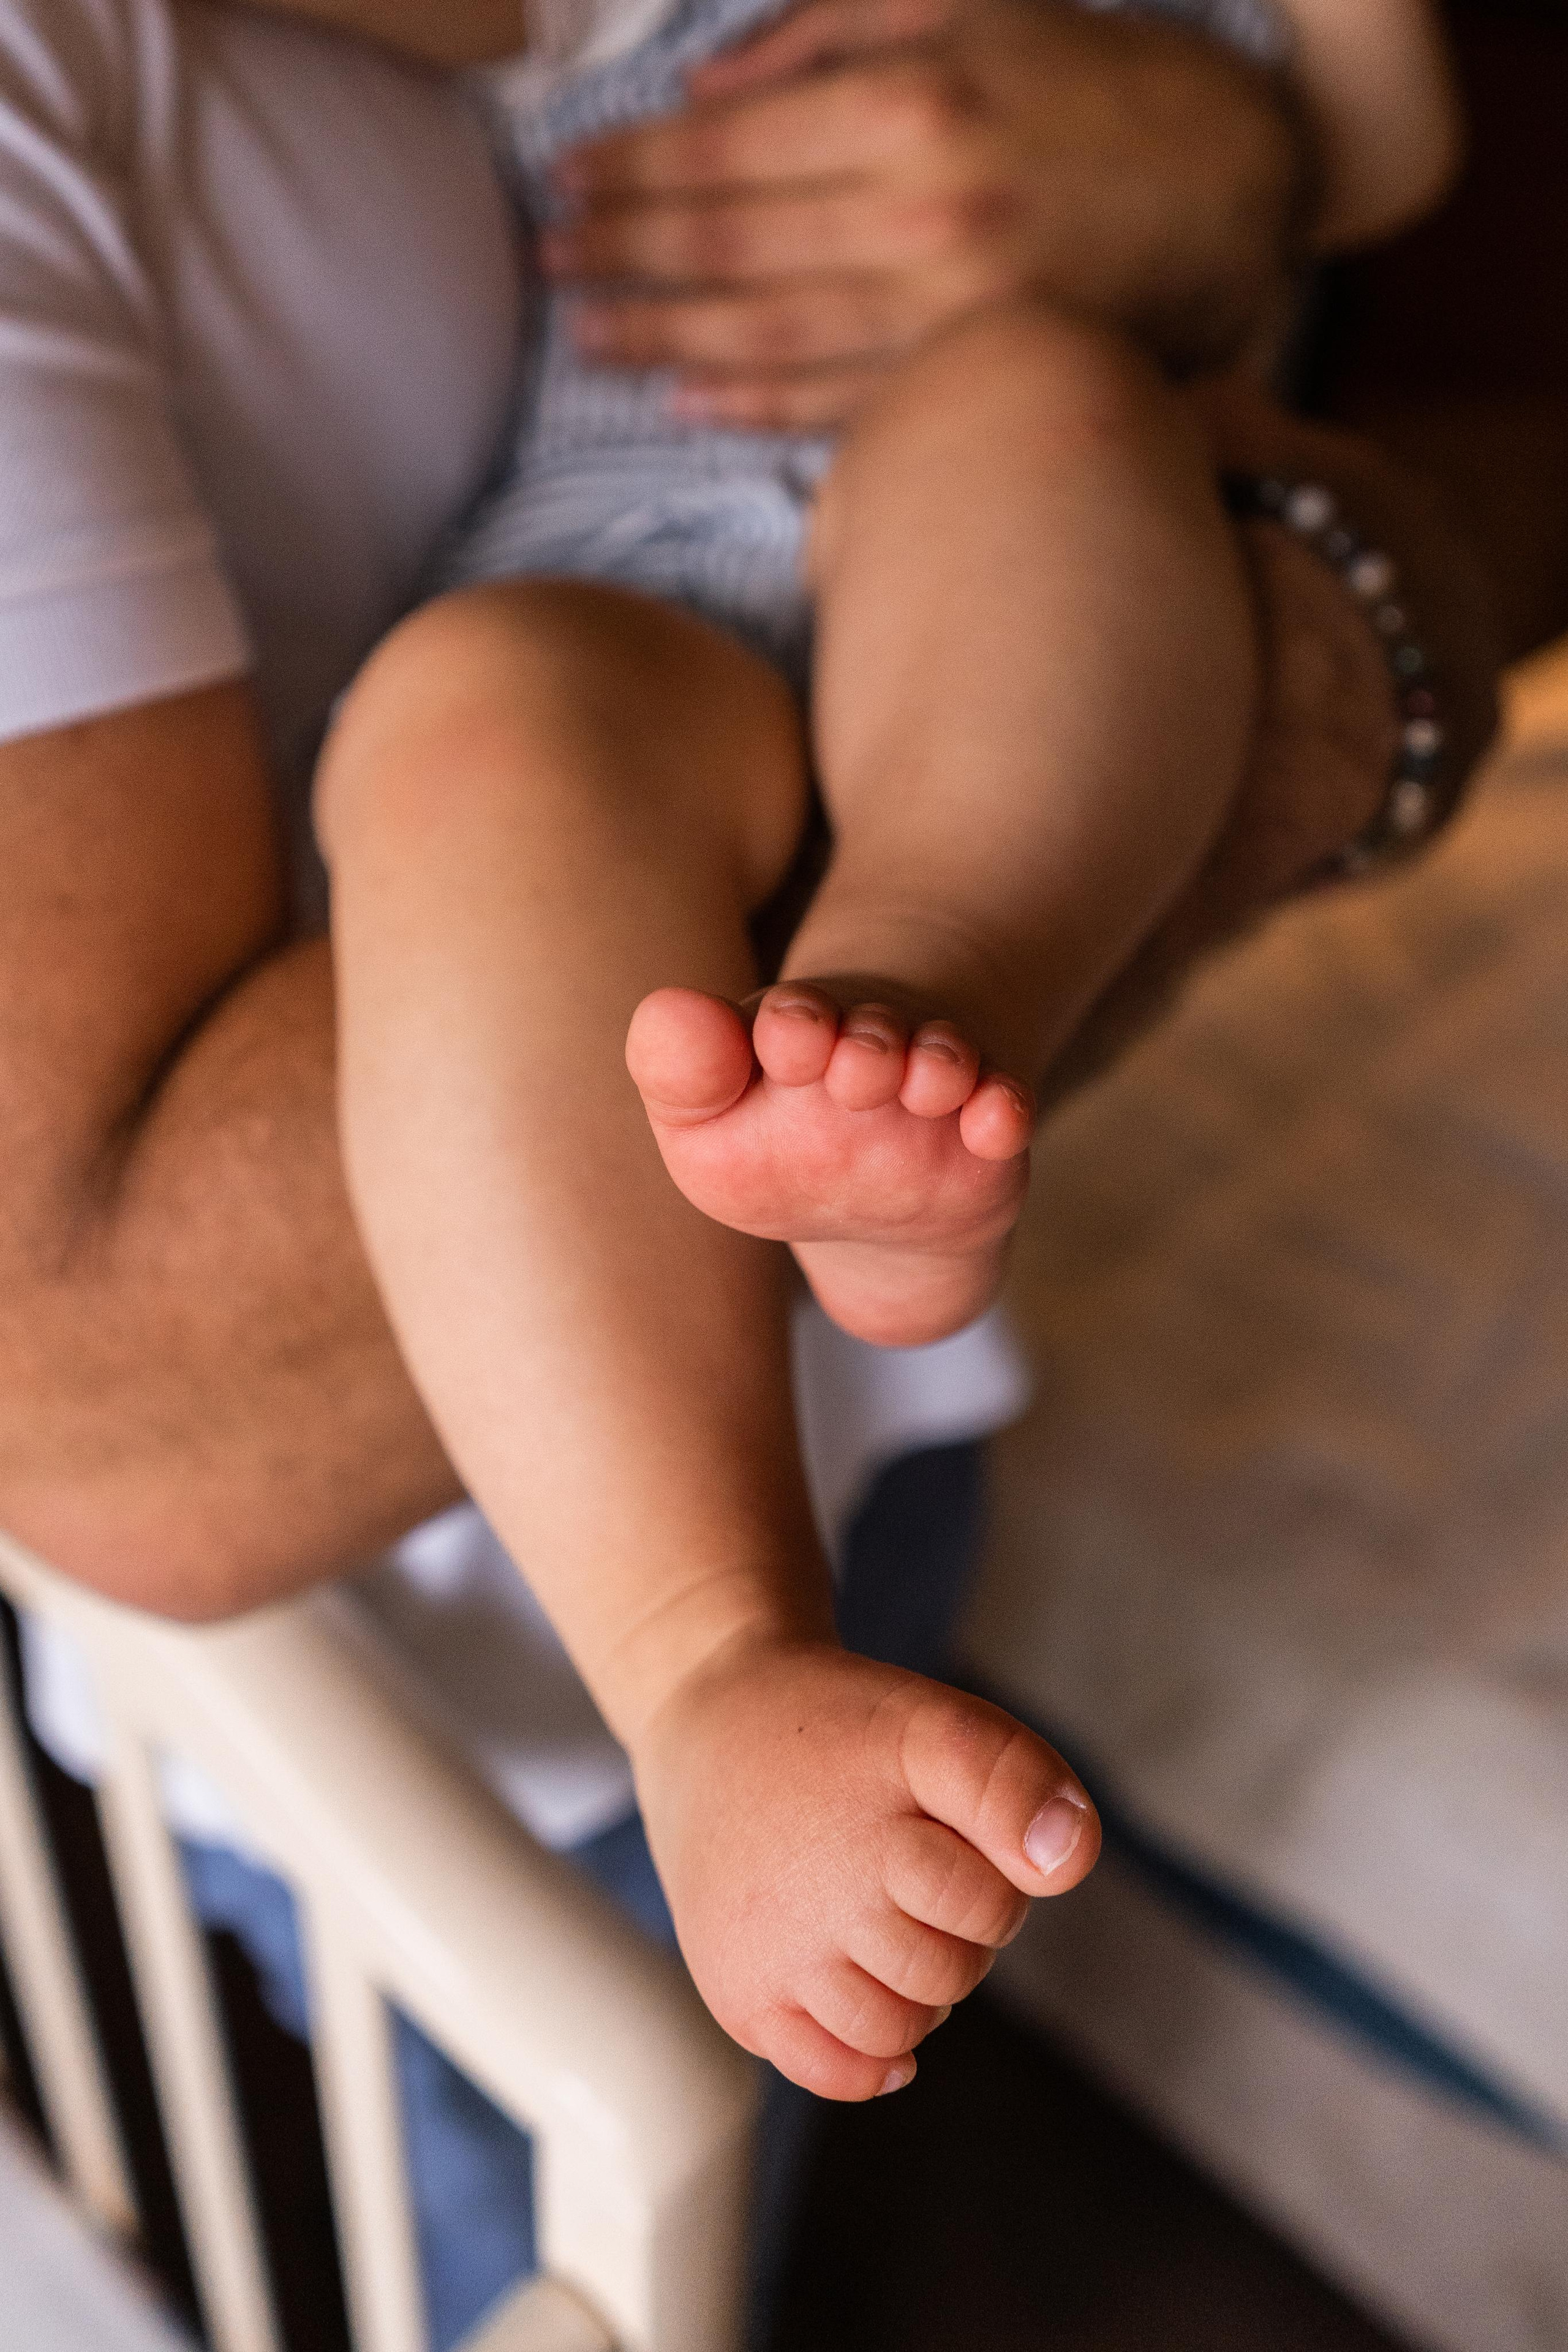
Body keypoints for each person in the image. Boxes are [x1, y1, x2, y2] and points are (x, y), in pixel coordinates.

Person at [0, 0, 1494, 2326]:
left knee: (1044, 423)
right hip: (615, 523)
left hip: (993, 478)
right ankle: (712, 1660)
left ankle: (919, 999)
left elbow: (1385, 149)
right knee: (468, 740)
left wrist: (1232, 144)